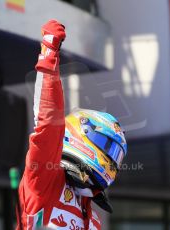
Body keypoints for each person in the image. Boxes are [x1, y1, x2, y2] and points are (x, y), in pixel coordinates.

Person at [17, 19, 128, 230]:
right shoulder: (45, 181)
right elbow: (48, 124)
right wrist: (49, 54)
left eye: (116, 154)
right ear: (80, 134)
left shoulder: (93, 219)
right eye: (108, 147)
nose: (112, 160)